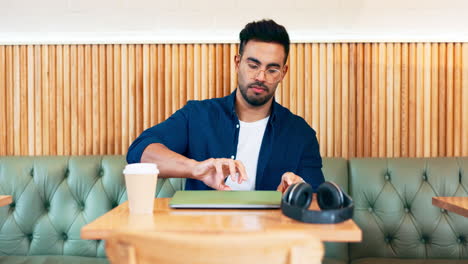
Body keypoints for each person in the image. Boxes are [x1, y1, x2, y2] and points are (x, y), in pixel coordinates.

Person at [127, 19, 324, 193]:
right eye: (253, 66)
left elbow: (317, 200)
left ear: (283, 73)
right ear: (237, 63)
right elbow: (139, 153)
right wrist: (196, 168)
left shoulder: (300, 133)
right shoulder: (198, 115)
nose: (260, 77)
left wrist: (297, 193)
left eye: (272, 69)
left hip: (270, 232)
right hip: (206, 231)